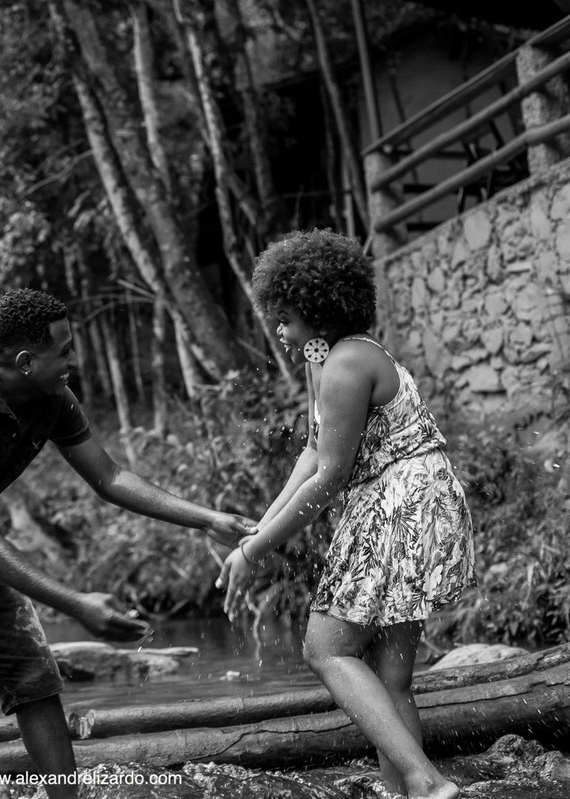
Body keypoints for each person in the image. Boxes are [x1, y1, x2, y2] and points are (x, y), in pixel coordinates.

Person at [0, 288, 254, 799]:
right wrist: (77, 604)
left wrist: (205, 518)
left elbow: (109, 477)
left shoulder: (53, 399)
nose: (74, 360)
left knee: (35, 679)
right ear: (25, 361)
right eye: (64, 350)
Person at [217, 230, 475, 799]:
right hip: (416, 500)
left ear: (316, 308)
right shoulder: (331, 357)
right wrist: (262, 526)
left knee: (326, 649)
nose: (279, 333)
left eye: (285, 319)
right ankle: (407, 793)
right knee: (391, 679)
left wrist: (256, 552)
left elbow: (330, 477)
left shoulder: (345, 364)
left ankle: (427, 783)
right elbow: (312, 448)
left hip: (396, 504)